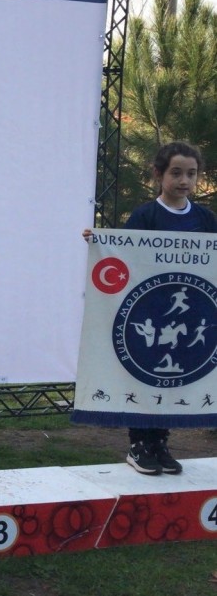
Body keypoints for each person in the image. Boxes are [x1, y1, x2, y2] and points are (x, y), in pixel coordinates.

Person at [84, 141, 216, 475]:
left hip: (190, 313)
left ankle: (160, 443)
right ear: (159, 174)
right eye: (176, 173)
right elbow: (124, 252)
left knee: (174, 377)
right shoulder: (146, 215)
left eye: (191, 174)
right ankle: (139, 444)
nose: (184, 181)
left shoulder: (205, 218)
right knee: (146, 375)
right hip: (152, 312)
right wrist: (98, 242)